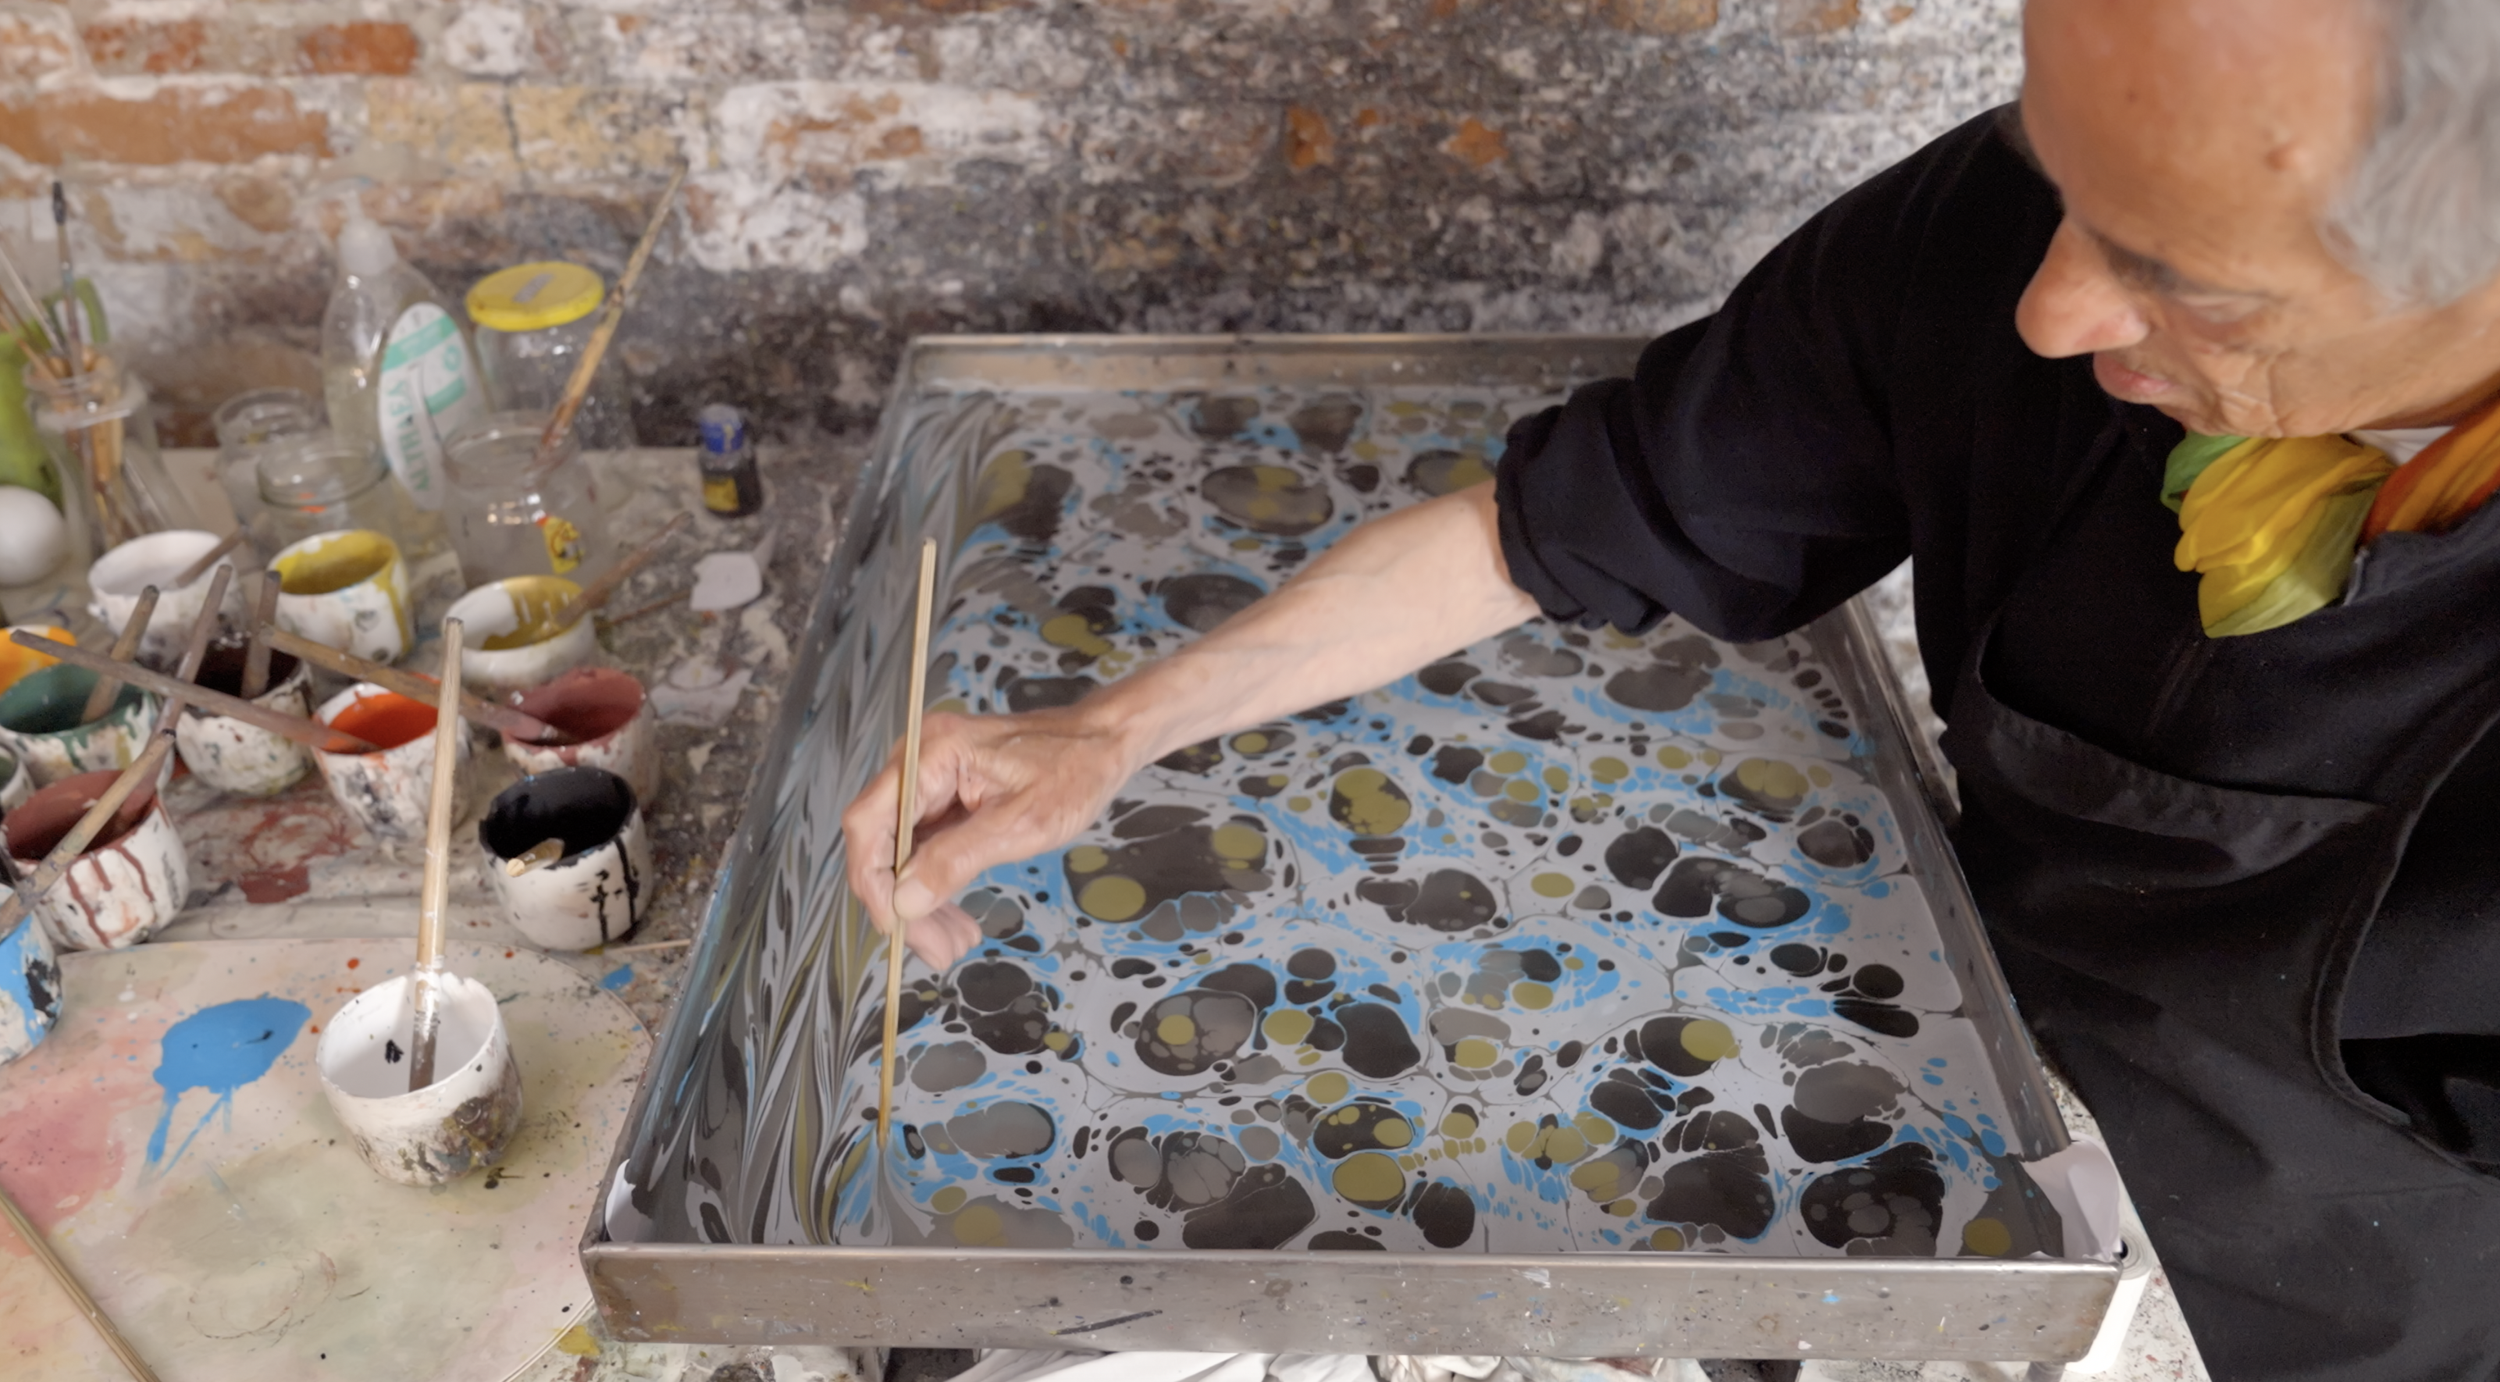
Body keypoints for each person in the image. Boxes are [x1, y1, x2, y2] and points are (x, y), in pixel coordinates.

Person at [845, 0, 2500, 1376]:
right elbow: (1561, 518)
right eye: (2052, 168)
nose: (2049, 304)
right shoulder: (2025, 242)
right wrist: (1112, 726)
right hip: (1984, 1076)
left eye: (2185, 276)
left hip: (2352, 1294)